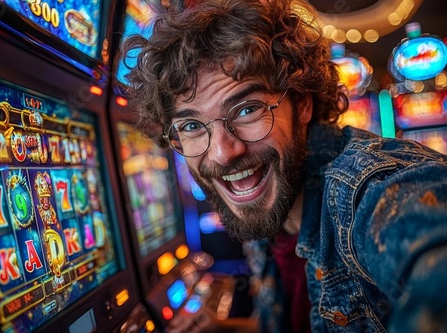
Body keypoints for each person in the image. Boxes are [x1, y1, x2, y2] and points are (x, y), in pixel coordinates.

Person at [118, 0, 447, 332]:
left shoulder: (369, 188)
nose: (222, 152)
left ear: (302, 102)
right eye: (191, 126)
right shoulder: (264, 203)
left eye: (247, 109)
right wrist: (226, 329)